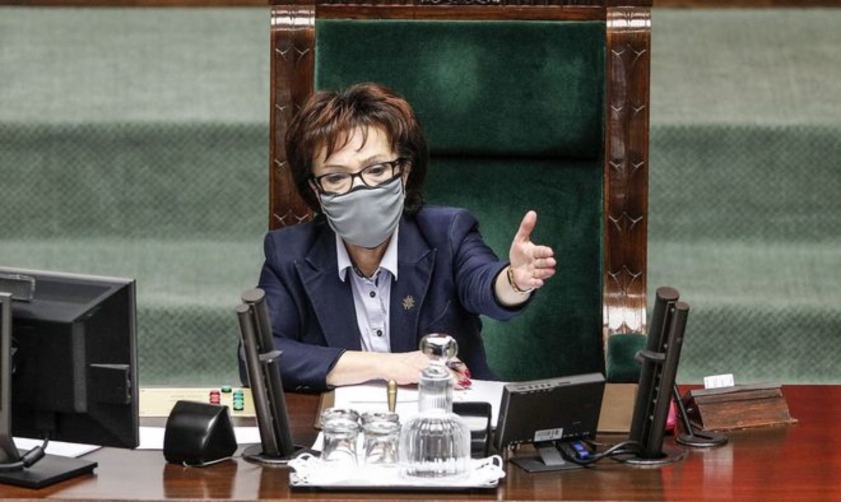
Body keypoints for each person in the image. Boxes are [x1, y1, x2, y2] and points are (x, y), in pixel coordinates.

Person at [239, 83, 556, 392]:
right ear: (316, 190)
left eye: (376, 170)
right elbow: (257, 356)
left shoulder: (446, 232)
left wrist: (514, 280)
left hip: (449, 417)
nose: (360, 189)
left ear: (403, 172)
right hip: (349, 424)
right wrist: (385, 365)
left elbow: (484, 283)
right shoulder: (289, 253)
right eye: (336, 177)